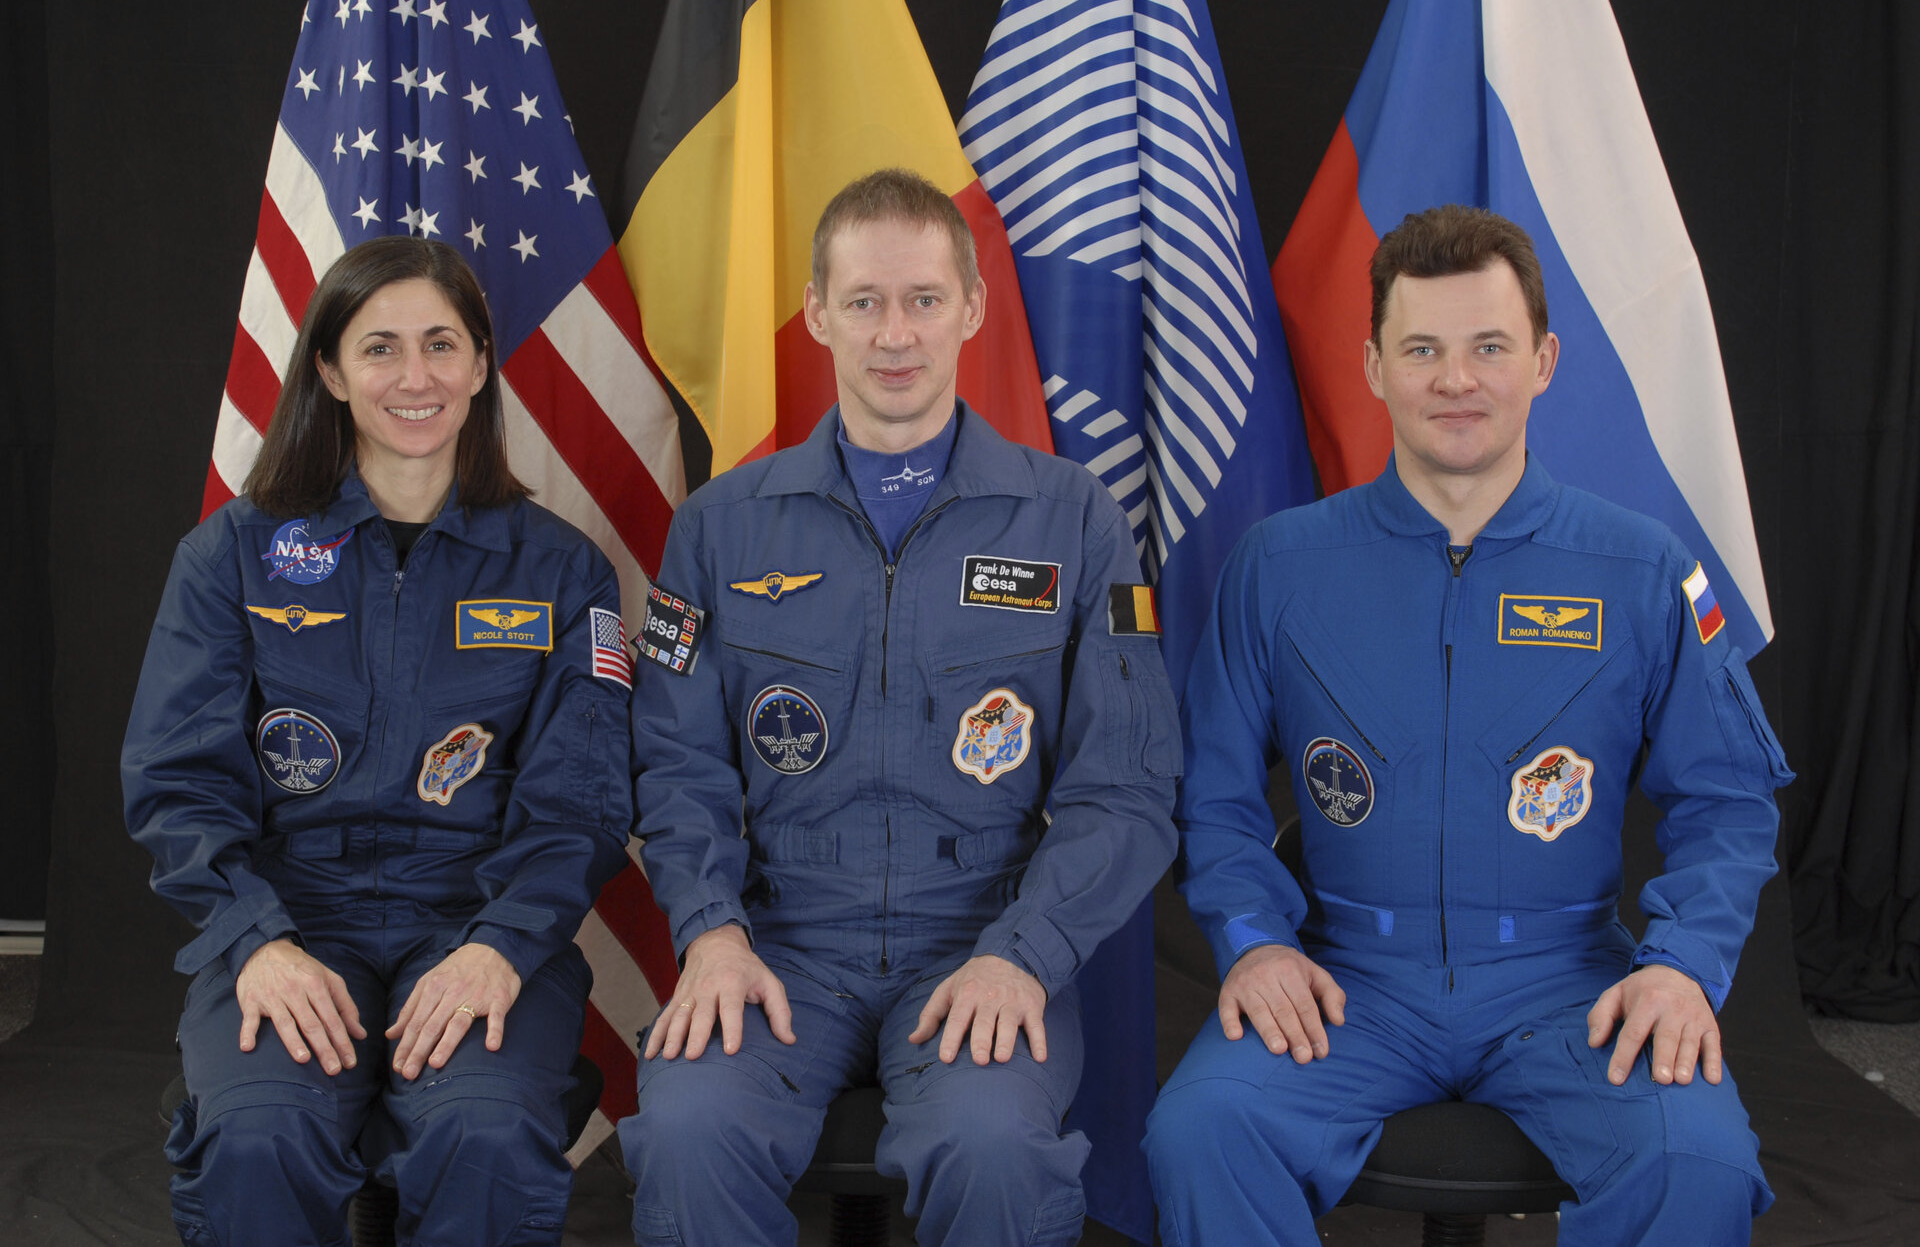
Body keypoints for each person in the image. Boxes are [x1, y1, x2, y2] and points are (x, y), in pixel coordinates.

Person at [1144, 205, 1793, 1245]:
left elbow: (1726, 796)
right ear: (1371, 365)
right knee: (1200, 1130)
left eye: (1489, 347)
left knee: (1698, 1159)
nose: (1457, 379)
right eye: (1423, 350)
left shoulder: (1642, 567)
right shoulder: (1278, 567)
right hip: (1347, 980)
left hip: (1565, 981)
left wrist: (1681, 965)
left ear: (1542, 359)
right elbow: (1213, 795)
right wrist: (1255, 942)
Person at [618, 167, 1180, 1247]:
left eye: (924, 299)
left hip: (981, 933)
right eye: (865, 301)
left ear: (971, 308)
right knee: (687, 1131)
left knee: (998, 1153)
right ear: (819, 312)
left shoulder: (1077, 521)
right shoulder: (719, 526)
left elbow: (1130, 782)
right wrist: (711, 932)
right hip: (779, 938)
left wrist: (1025, 950)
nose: (895, 333)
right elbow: (672, 757)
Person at [122, 237, 633, 1245]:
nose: (415, 377)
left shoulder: (562, 573)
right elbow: (178, 779)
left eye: (442, 344)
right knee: (257, 1136)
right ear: (330, 369)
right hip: (291, 917)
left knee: (486, 1134)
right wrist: (253, 940)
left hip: (477, 919)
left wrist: (501, 946)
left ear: (482, 366)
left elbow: (583, 799)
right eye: (381, 347)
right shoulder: (235, 555)